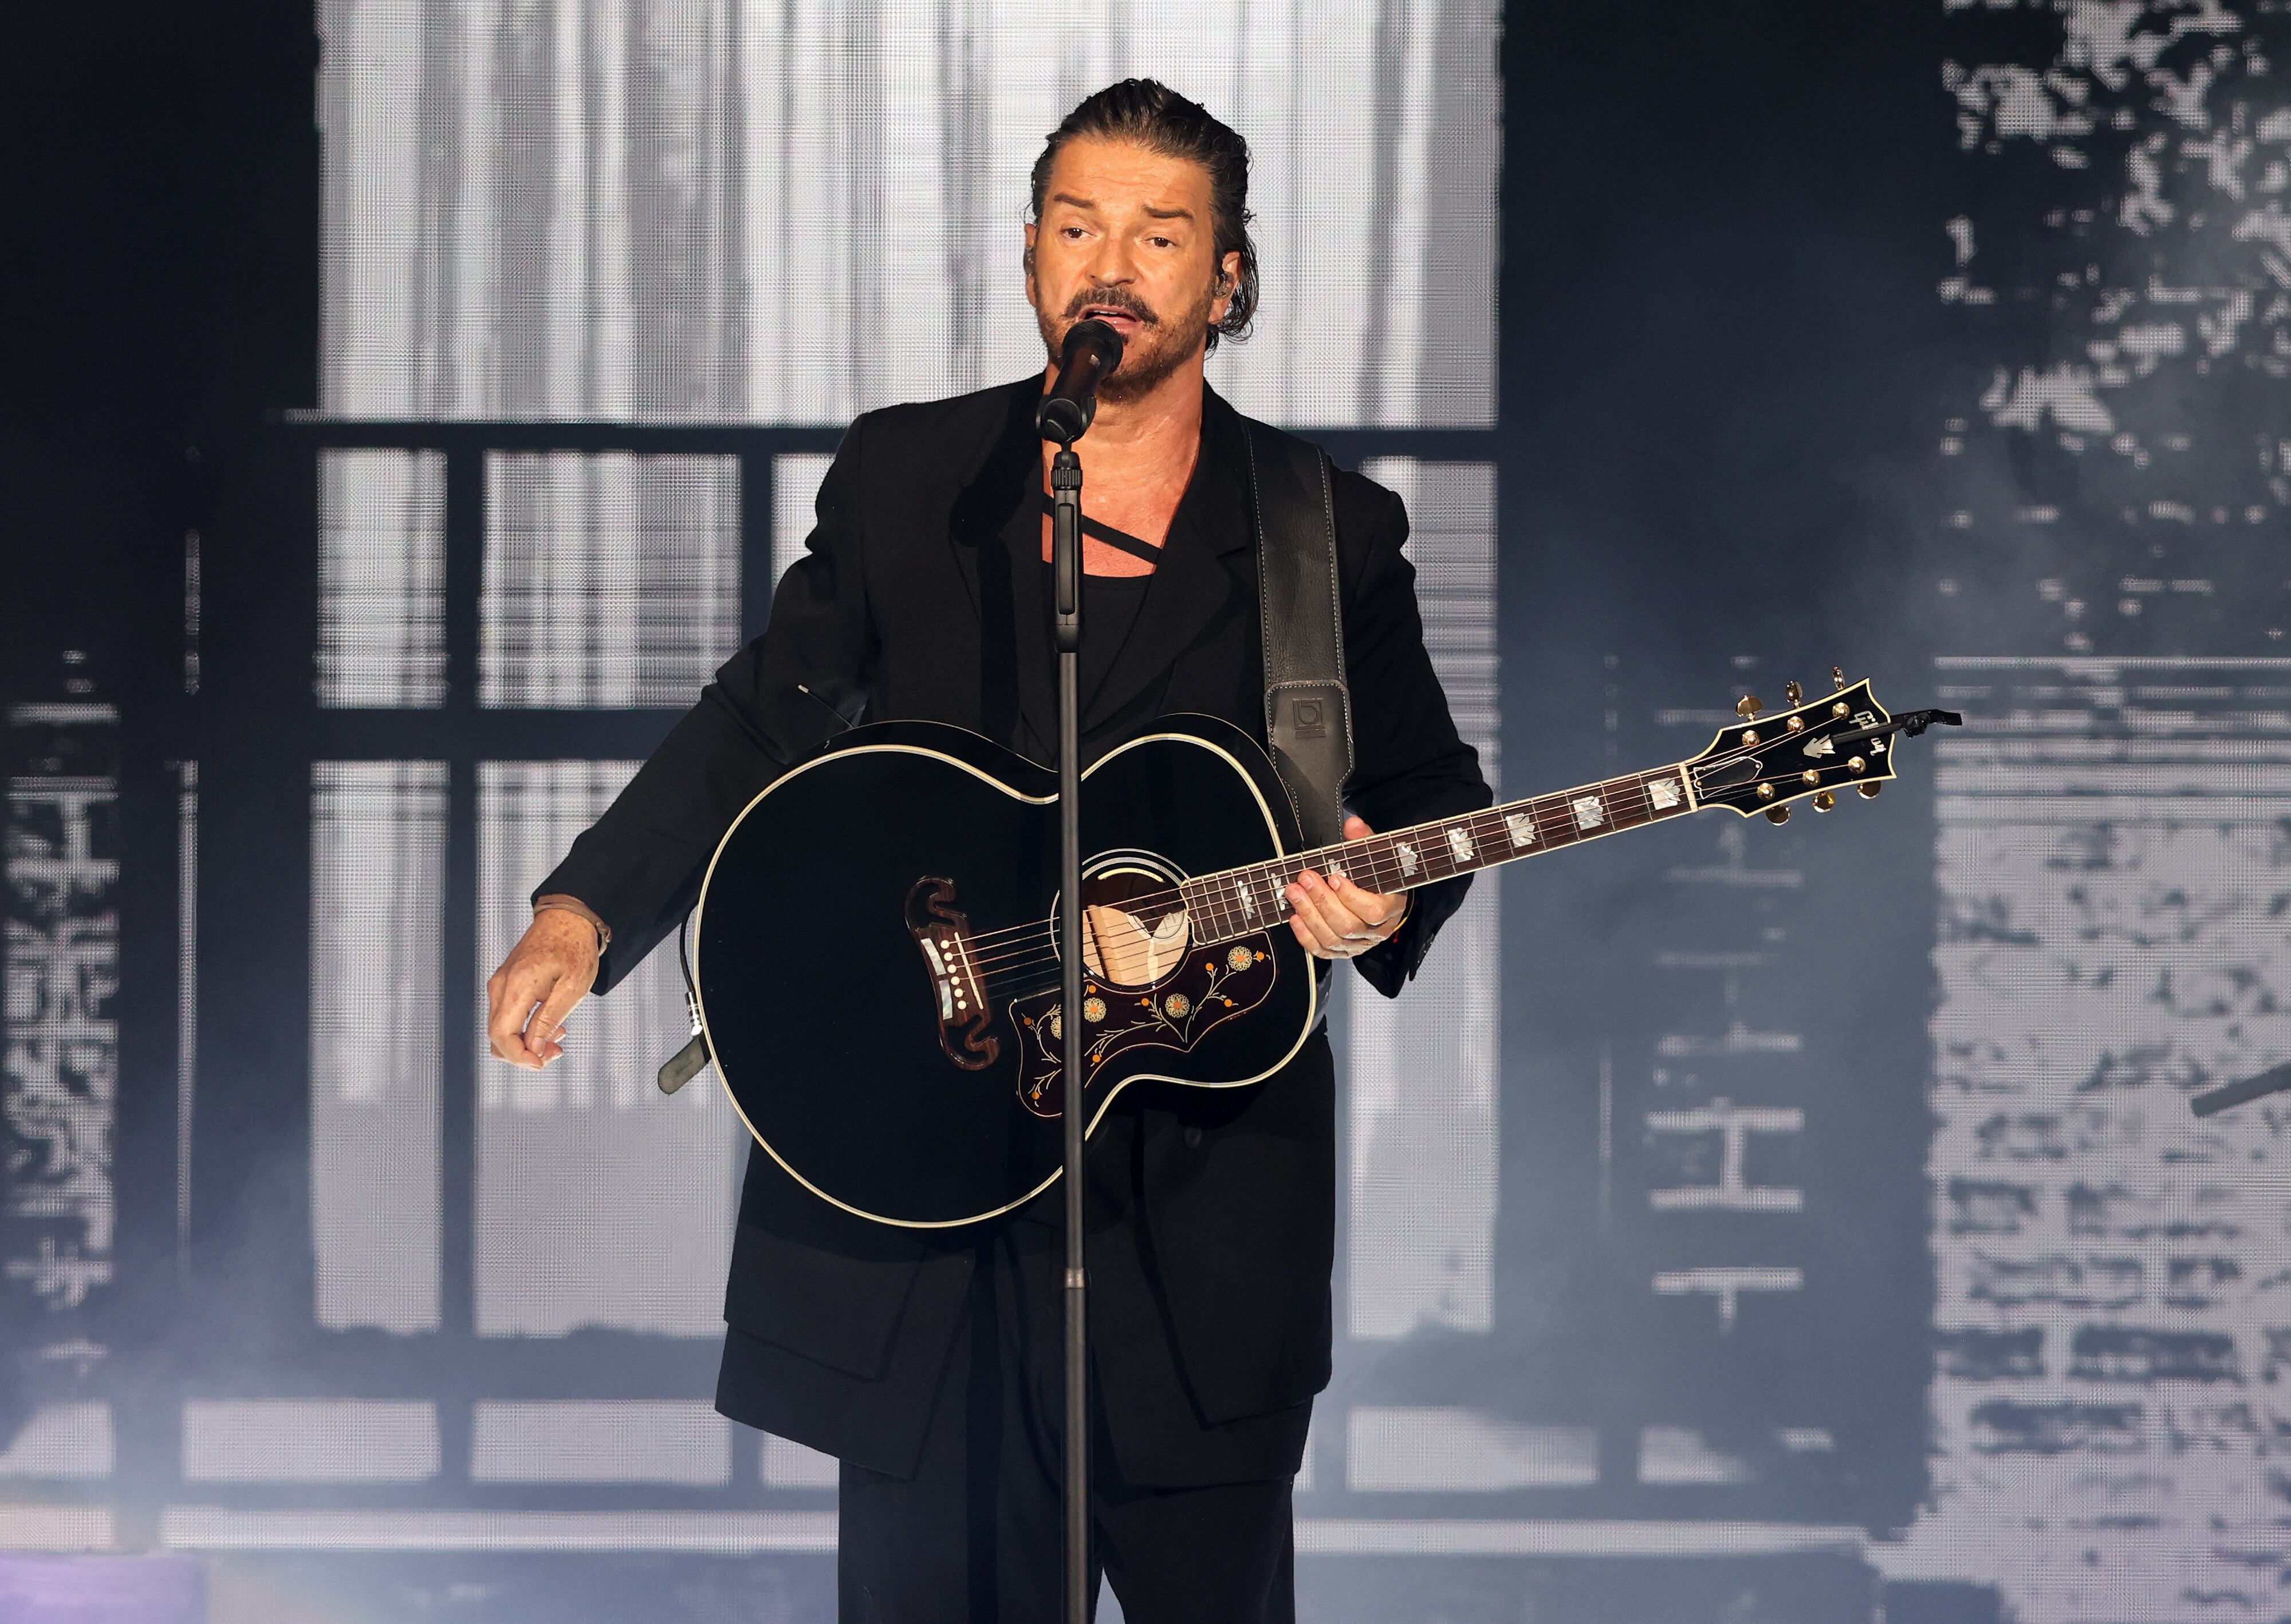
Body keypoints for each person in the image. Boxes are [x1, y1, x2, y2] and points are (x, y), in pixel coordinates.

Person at [483, 78, 1491, 1624]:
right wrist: (583, 913)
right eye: (1080, 226)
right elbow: (765, 717)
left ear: (1229, 280)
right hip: (917, 1201)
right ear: (1030, 258)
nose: (1113, 264)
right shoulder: (912, 481)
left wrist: (1377, 895)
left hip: (1196, 1228)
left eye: (1161, 234)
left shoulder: (1321, 529)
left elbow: (1428, 797)